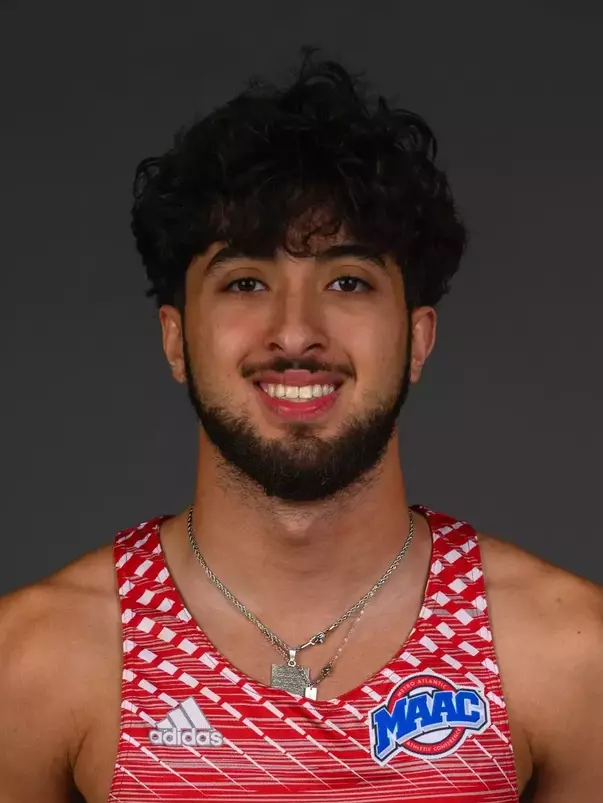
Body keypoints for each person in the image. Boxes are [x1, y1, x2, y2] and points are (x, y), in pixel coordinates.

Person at [0, 51, 601, 803]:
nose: (294, 331)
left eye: (347, 281)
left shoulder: (568, 653)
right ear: (173, 338)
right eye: (245, 282)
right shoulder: (33, 662)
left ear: (416, 338)